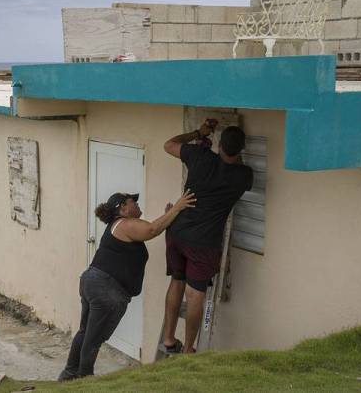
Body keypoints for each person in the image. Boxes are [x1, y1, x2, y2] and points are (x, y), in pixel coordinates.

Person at [59, 189, 196, 381]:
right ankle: (84, 379)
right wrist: (178, 208)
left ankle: (69, 375)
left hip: (93, 281)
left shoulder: (117, 226)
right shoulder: (125, 224)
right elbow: (151, 230)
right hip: (106, 289)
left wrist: (170, 215)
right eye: (133, 201)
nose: (137, 204)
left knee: (86, 332)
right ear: (122, 208)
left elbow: (153, 228)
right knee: (94, 338)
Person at [160, 120, 253, 355]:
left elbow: (168, 145)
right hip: (203, 243)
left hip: (177, 232)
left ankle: (169, 340)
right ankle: (189, 348)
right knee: (194, 296)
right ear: (241, 150)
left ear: (219, 144)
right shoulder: (243, 176)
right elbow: (235, 164)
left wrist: (199, 133)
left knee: (176, 283)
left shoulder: (200, 156)